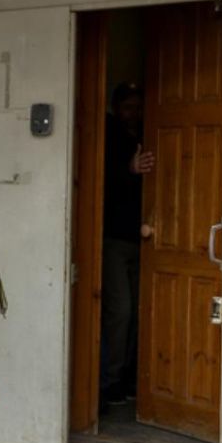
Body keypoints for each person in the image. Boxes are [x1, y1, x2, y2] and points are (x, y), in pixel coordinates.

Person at [100, 82, 154, 410]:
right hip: (113, 239)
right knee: (119, 311)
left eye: (138, 106)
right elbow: (99, 180)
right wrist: (129, 170)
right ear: (117, 108)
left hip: (143, 238)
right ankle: (109, 380)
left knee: (138, 311)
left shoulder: (153, 132)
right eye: (128, 107)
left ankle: (130, 377)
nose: (134, 113)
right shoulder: (106, 135)